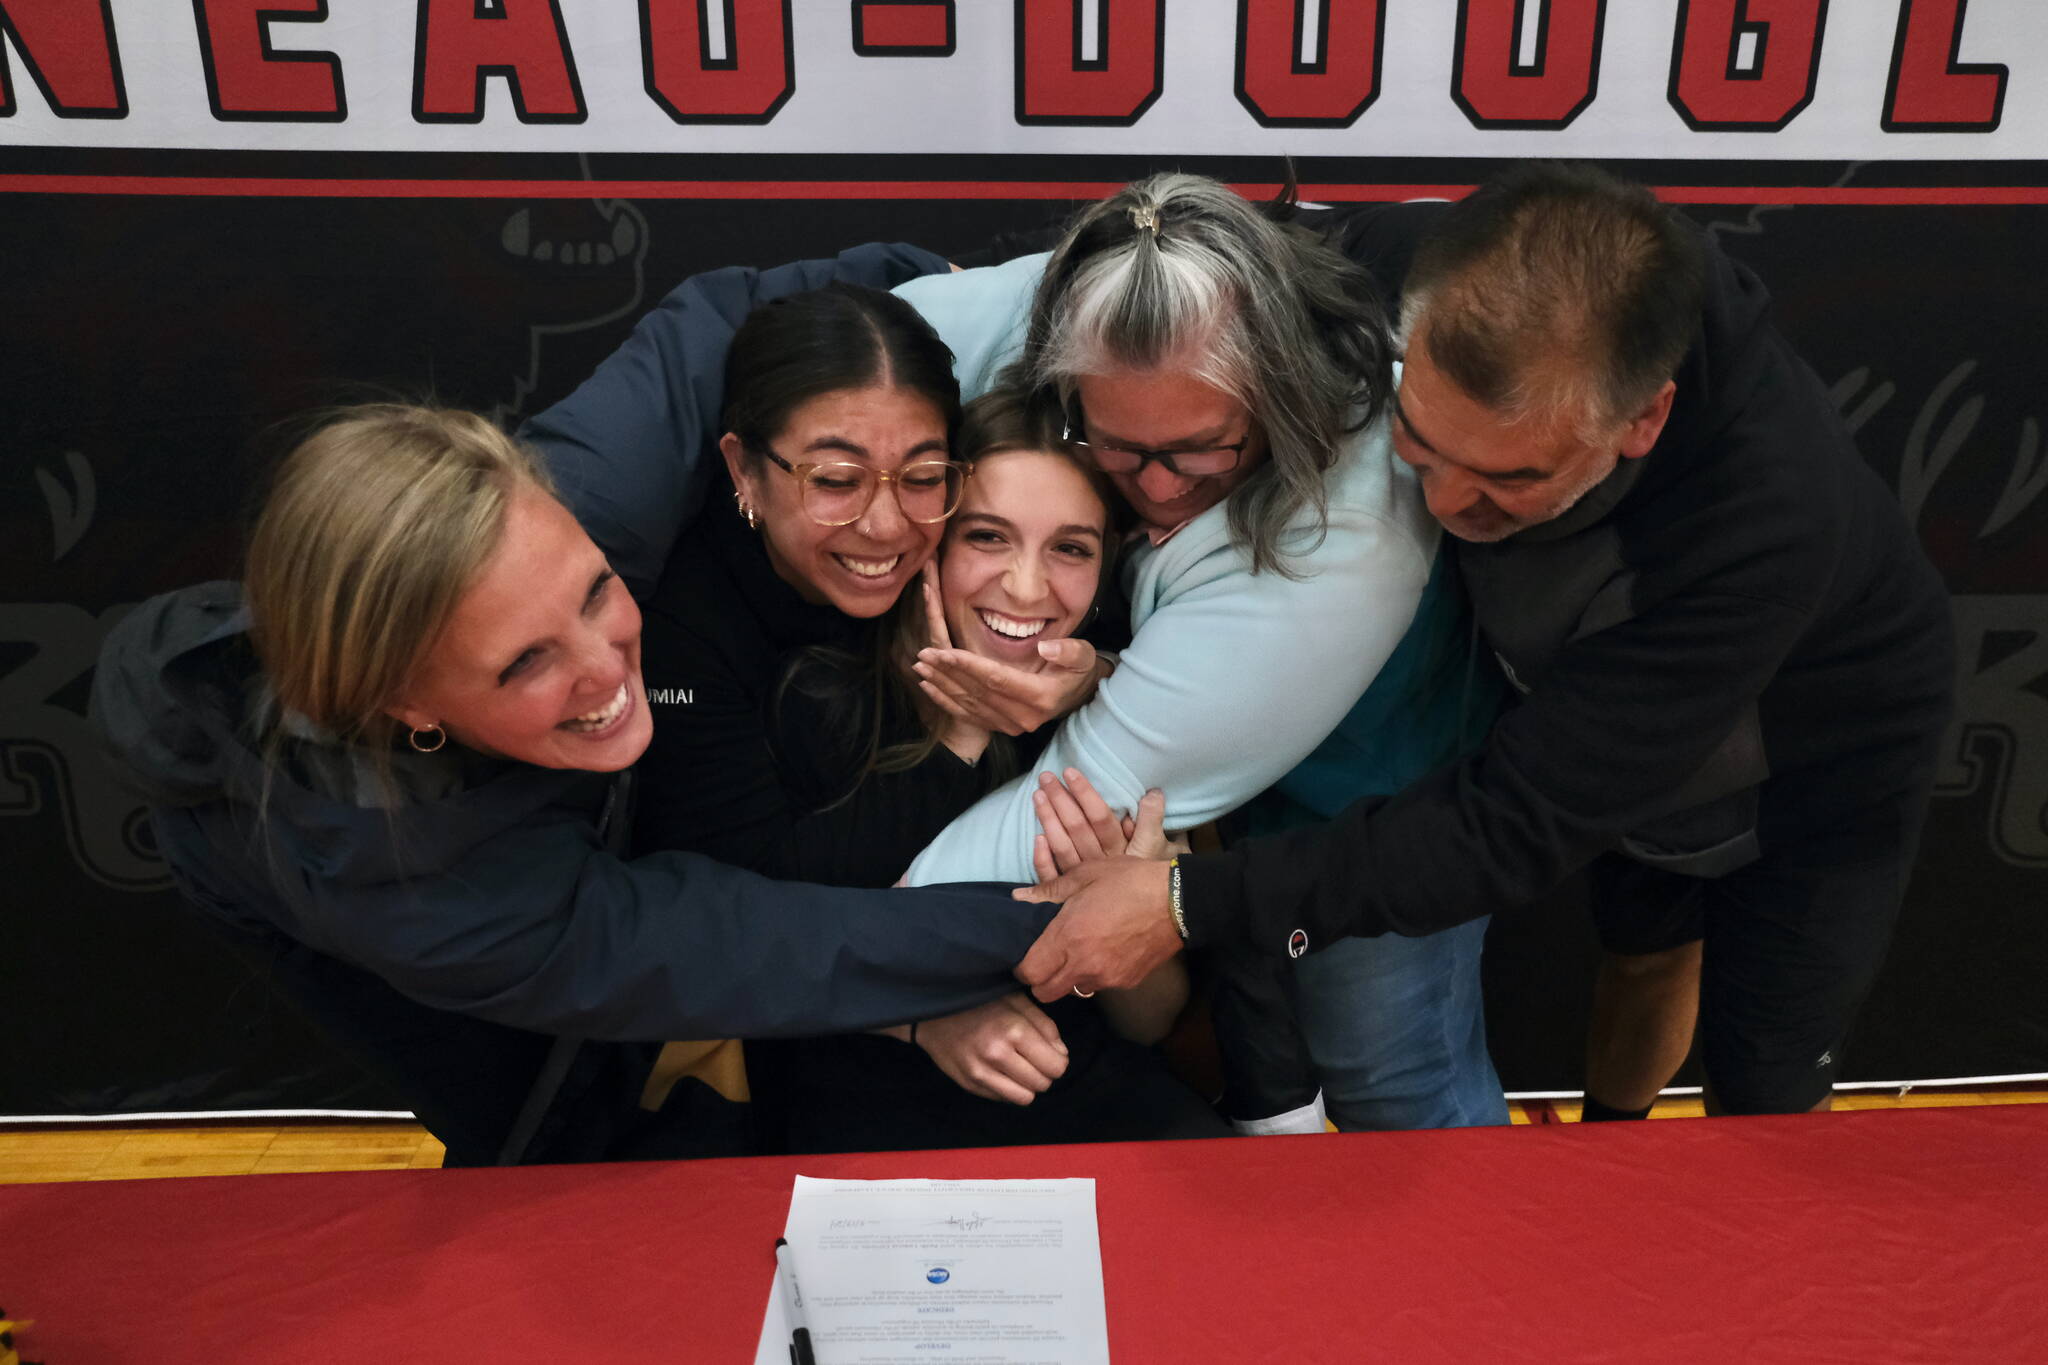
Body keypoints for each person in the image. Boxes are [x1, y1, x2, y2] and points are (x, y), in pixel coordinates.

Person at [1016, 163, 1956, 1119]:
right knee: (1641, 953)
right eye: (1417, 443)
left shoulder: (1760, 526)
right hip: (1587, 698)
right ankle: (1610, 1154)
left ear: (1642, 421)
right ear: (1404, 328)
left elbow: (1506, 829)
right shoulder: (1397, 262)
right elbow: (1131, 289)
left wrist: (1183, 903)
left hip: (1809, 757)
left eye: (1507, 480)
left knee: (1762, 1075)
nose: (1443, 505)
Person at [90, 249, 1062, 1169]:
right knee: (560, 1131)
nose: (609, 670)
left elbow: (713, 324)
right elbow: (747, 945)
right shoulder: (423, 892)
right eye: (526, 662)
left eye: (596, 593)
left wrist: (920, 278)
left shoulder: (570, 501)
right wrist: (1065, 922)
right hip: (396, 906)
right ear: (409, 704)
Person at [891, 172, 1510, 1133]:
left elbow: (1072, 799)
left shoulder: (1347, 537)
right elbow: (859, 344)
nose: (1153, 484)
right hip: (1209, 772)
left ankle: (1465, 1284)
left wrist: (858, 966)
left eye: (1196, 449)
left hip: (1369, 804)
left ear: (1281, 389)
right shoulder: (1126, 299)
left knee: (1394, 1077)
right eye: (1114, 445)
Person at [626, 290, 1218, 1151]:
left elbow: (1150, 1019)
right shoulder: (799, 693)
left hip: (1082, 1091)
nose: (1024, 587)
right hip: (841, 1082)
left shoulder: (1124, 717)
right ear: (745, 472)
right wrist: (919, 1009)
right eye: (986, 537)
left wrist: (1137, 910)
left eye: (1071, 548)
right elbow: (747, 918)